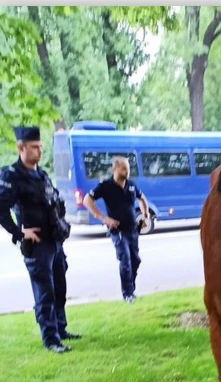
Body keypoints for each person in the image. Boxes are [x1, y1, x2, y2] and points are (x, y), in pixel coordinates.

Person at [0, 125, 79, 353]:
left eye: (40, 147)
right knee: (44, 292)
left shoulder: (41, 174)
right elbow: (1, 209)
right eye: (34, 147)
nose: (39, 151)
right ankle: (51, 339)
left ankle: (61, 328)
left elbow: (53, 202)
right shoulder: (12, 176)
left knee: (59, 288)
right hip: (37, 244)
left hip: (54, 240)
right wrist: (18, 232)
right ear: (20, 148)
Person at [83, 156, 149, 303]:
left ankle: (131, 288)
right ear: (115, 169)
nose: (127, 171)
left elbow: (143, 199)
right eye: (123, 168)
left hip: (133, 229)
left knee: (135, 260)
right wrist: (103, 218)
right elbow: (87, 200)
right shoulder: (105, 186)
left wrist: (146, 216)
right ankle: (127, 294)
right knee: (125, 260)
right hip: (118, 231)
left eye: (128, 168)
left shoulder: (131, 185)